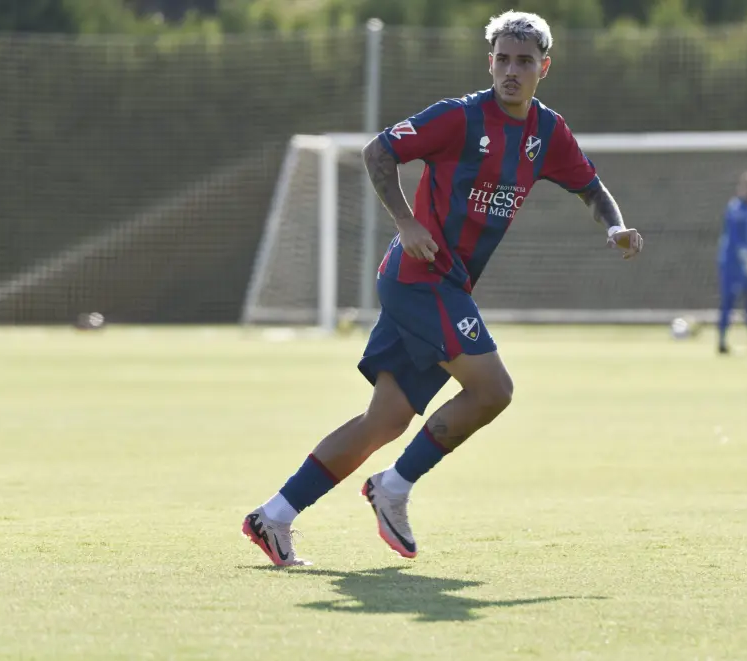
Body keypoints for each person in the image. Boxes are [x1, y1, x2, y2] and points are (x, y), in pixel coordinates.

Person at [243, 10, 644, 567]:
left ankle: (274, 515)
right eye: (502, 58)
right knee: (493, 389)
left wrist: (616, 227)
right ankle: (395, 486)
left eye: (524, 61)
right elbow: (377, 151)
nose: (511, 69)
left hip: (444, 285)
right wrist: (406, 223)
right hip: (417, 278)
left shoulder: (547, 133)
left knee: (382, 421)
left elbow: (591, 187)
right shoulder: (459, 117)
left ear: (543, 68)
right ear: (490, 63)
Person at [717, 171, 747, 354]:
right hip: (731, 262)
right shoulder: (736, 208)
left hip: (743, 263)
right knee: (729, 300)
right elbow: (735, 238)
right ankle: (721, 342)